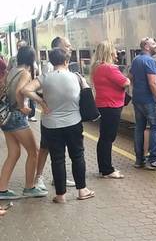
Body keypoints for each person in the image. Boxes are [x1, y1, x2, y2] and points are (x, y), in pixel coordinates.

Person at [22, 47, 94, 203]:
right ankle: (82, 190)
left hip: (51, 124)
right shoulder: (76, 77)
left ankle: (60, 195)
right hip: (73, 123)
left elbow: (25, 89)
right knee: (77, 156)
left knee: (57, 158)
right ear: (66, 61)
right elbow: (87, 95)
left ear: (51, 61)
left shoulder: (45, 77)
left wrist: (41, 102)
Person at [0, 46, 47, 199]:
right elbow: (20, 90)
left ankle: (2, 189)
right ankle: (29, 187)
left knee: (14, 153)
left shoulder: (11, 70)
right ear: (32, 59)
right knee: (34, 152)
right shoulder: (25, 73)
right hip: (17, 117)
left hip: (5, 117)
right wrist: (22, 106)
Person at [34, 35, 76, 190]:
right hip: (51, 117)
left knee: (59, 150)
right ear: (58, 47)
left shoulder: (65, 65)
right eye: (67, 45)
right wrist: (43, 103)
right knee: (45, 148)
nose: (70, 47)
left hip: (64, 117)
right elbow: (37, 89)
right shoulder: (49, 68)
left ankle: (59, 178)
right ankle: (38, 177)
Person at [91, 41, 130, 179]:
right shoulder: (109, 68)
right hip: (112, 105)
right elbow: (125, 82)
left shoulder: (97, 67)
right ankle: (107, 169)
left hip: (103, 104)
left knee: (104, 137)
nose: (116, 53)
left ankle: (104, 167)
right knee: (108, 138)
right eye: (114, 50)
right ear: (109, 52)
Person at [130, 37, 156, 171]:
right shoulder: (150, 61)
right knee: (155, 127)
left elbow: (131, 78)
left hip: (137, 99)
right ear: (146, 46)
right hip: (149, 100)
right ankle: (154, 160)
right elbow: (153, 83)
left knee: (139, 128)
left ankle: (139, 160)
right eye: (153, 43)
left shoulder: (136, 60)